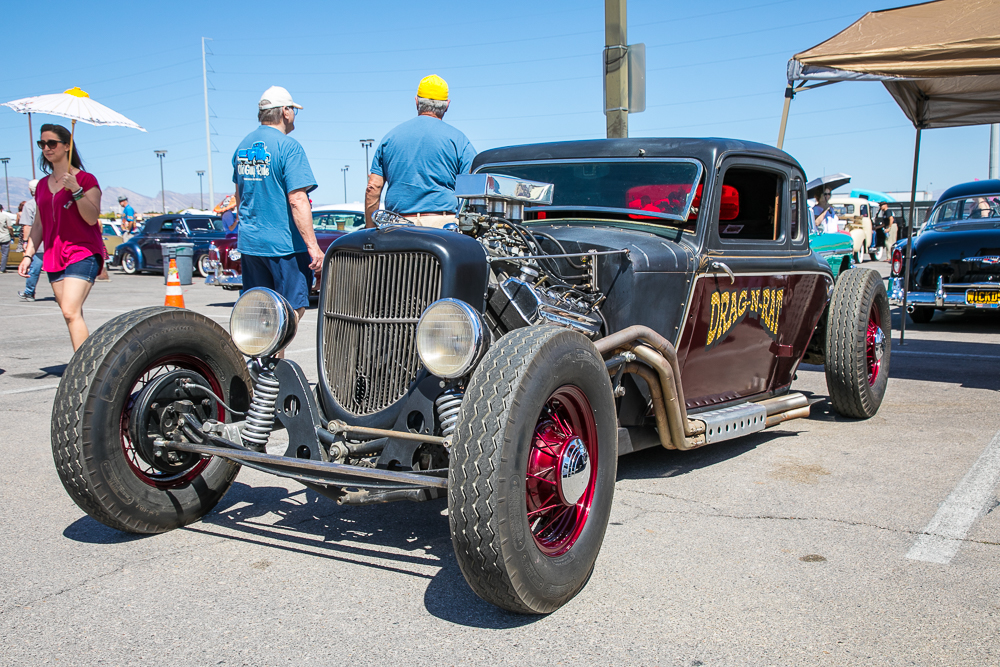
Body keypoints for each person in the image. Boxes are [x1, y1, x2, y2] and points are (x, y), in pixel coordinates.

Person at [232, 85, 321, 352]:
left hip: (251, 244)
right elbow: (297, 199)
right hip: (284, 246)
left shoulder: (242, 146)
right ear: (285, 112)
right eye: (293, 109)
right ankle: (270, 359)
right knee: (294, 306)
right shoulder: (288, 147)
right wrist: (313, 246)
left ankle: (261, 361)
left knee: (262, 309)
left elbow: (239, 196)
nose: (294, 114)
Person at [18, 123, 104, 351]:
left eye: (52, 143)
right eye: (42, 143)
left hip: (82, 251)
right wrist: (28, 255)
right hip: (53, 256)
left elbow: (91, 217)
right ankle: (86, 362)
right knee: (71, 315)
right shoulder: (43, 186)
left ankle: (85, 370)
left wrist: (76, 190)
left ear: (67, 146)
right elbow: (38, 224)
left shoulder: (86, 180)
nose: (46, 148)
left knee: (70, 310)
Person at [365, 75, 477, 228]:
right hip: (443, 227)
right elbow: (472, 189)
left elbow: (373, 187)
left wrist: (370, 229)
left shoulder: (390, 138)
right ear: (447, 105)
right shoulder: (459, 140)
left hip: (397, 226)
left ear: (416, 101)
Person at [17, 180, 41, 301]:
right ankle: (62, 294)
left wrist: (26, 242)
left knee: (34, 269)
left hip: (37, 243)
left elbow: (27, 226)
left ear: (30, 190)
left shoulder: (30, 204)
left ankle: (29, 292)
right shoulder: (51, 202)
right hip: (54, 243)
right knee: (57, 269)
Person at [0, 205, 15, 273]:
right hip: (4, 237)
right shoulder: (5, 217)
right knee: (4, 254)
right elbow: (10, 227)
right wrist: (12, 235)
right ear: (1, 209)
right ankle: (2, 269)